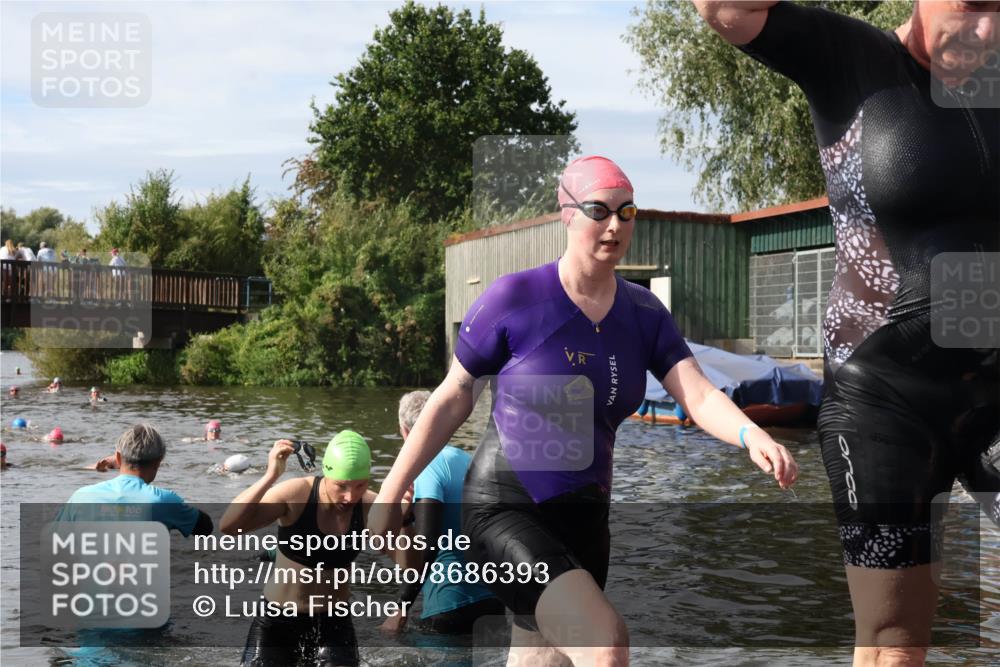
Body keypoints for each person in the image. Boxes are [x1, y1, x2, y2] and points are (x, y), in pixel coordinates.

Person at [371, 155, 798, 666]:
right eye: (599, 210)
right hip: (506, 507)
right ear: (566, 214)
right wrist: (392, 491)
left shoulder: (643, 313)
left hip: (586, 518)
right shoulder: (517, 297)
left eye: (627, 211)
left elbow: (700, 395)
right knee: (604, 640)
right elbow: (453, 396)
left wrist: (754, 436)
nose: (615, 225)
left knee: (544, 659)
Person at [693, 2, 999, 665]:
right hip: (884, 403)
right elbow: (724, 10)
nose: (989, 32)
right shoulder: (849, 58)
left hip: (993, 393)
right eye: (976, 7)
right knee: (895, 640)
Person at [221, 430, 410, 667]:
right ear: (327, 474)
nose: (350, 496)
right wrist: (271, 476)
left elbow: (409, 566)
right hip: (278, 621)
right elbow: (229, 526)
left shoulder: (370, 506)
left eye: (360, 485)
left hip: (334, 623)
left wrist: (406, 518)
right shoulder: (296, 493)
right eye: (341, 486)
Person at [381, 391, 504, 636]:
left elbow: (428, 544)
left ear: (404, 430)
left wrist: (401, 607)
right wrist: (408, 517)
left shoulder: (427, 467)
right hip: (493, 603)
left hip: (449, 604)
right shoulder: (468, 459)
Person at [61, 424, 213, 536]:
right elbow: (205, 528)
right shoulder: (164, 501)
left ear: (118, 458)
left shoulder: (81, 496)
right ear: (158, 462)